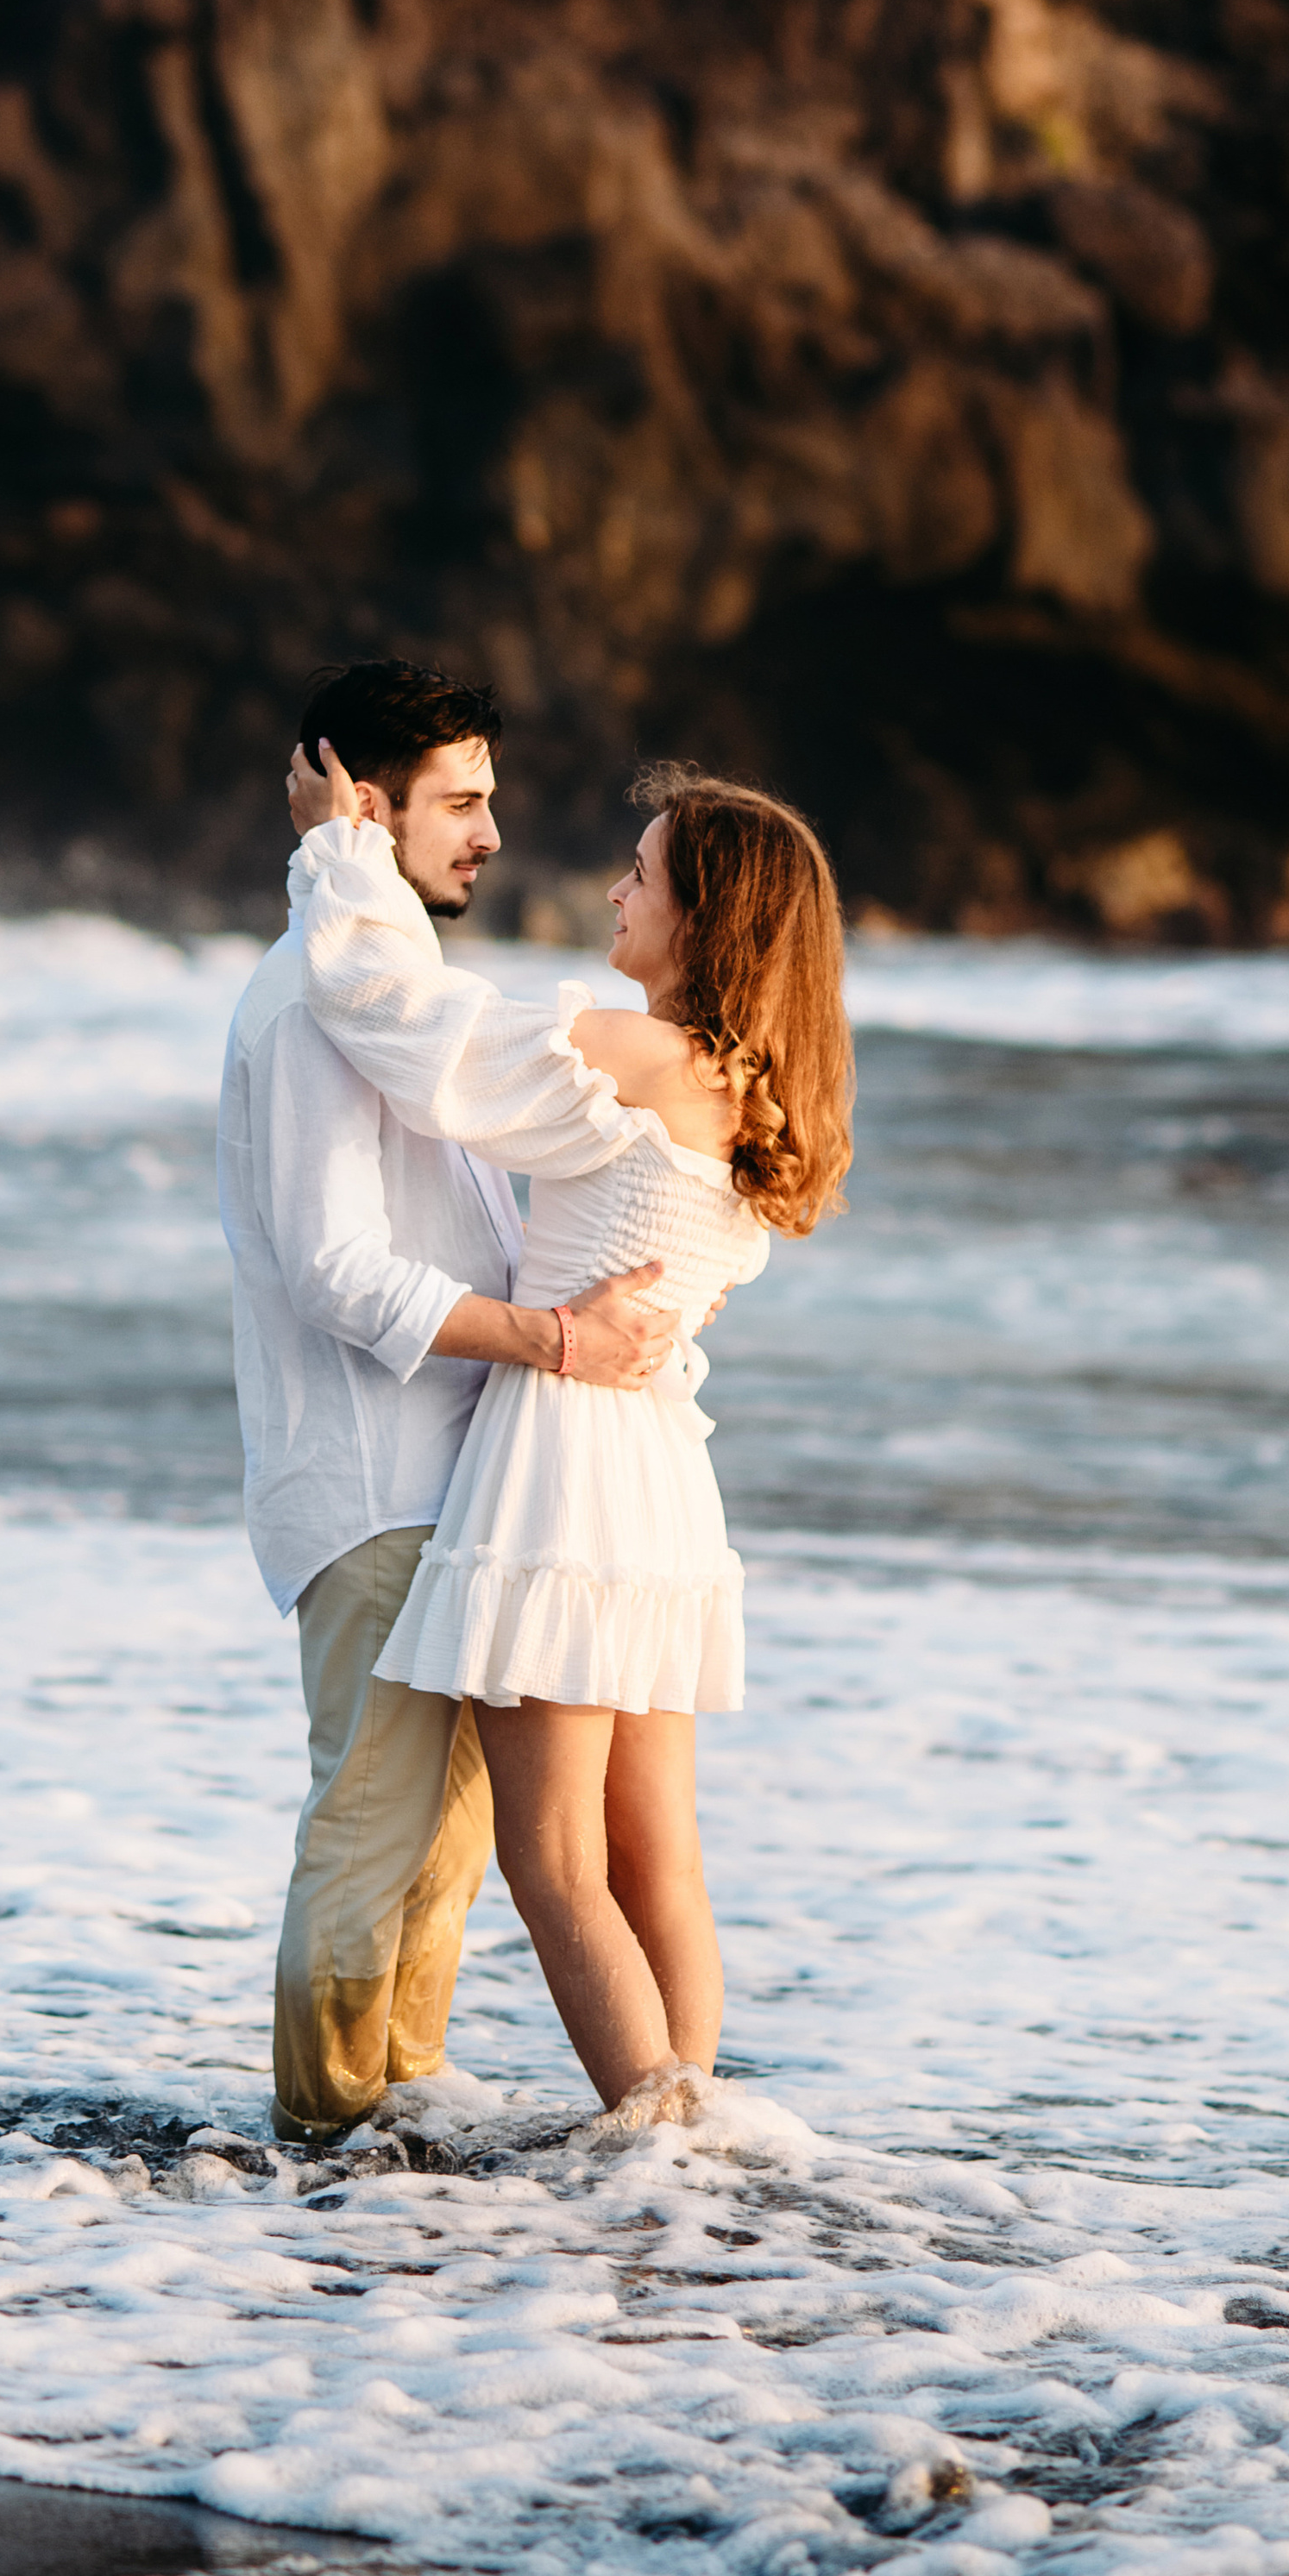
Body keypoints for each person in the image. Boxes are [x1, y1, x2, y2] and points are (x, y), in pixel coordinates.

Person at [283, 739, 853, 2129]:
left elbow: (401, 1025)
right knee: (659, 1852)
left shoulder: (634, 1056)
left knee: (552, 1859)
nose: (612, 890)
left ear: (705, 920)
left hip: (563, 1468)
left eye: (641, 876)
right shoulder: (754, 1093)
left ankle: (654, 2142)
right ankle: (698, 2131)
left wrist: (338, 849)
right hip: (663, 1482)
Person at [219, 660, 687, 2145]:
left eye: (493, 799)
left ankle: (391, 2129)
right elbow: (334, 1270)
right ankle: (323, 2134)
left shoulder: (413, 996)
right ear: (369, 807)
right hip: (369, 1482)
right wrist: (555, 1340)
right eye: (460, 802)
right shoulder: (307, 1002)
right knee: (373, 1826)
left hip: (467, 1482)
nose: (491, 832)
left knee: (451, 1846)